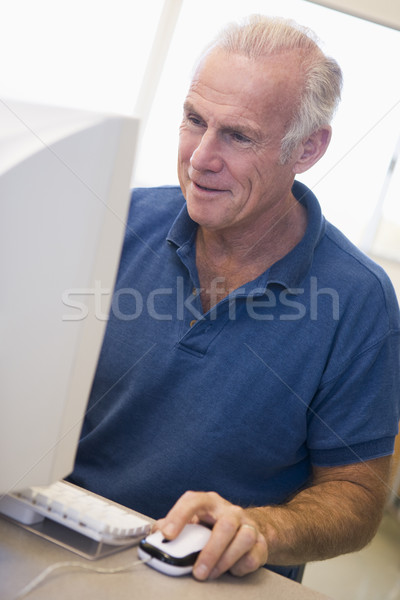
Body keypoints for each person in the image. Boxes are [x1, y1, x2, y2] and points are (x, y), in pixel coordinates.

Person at [69, 15, 400, 582]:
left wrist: (260, 530)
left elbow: (356, 496)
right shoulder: (113, 222)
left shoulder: (360, 301)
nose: (200, 159)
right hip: (63, 535)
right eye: (195, 120)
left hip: (210, 577)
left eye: (238, 135)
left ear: (308, 149)